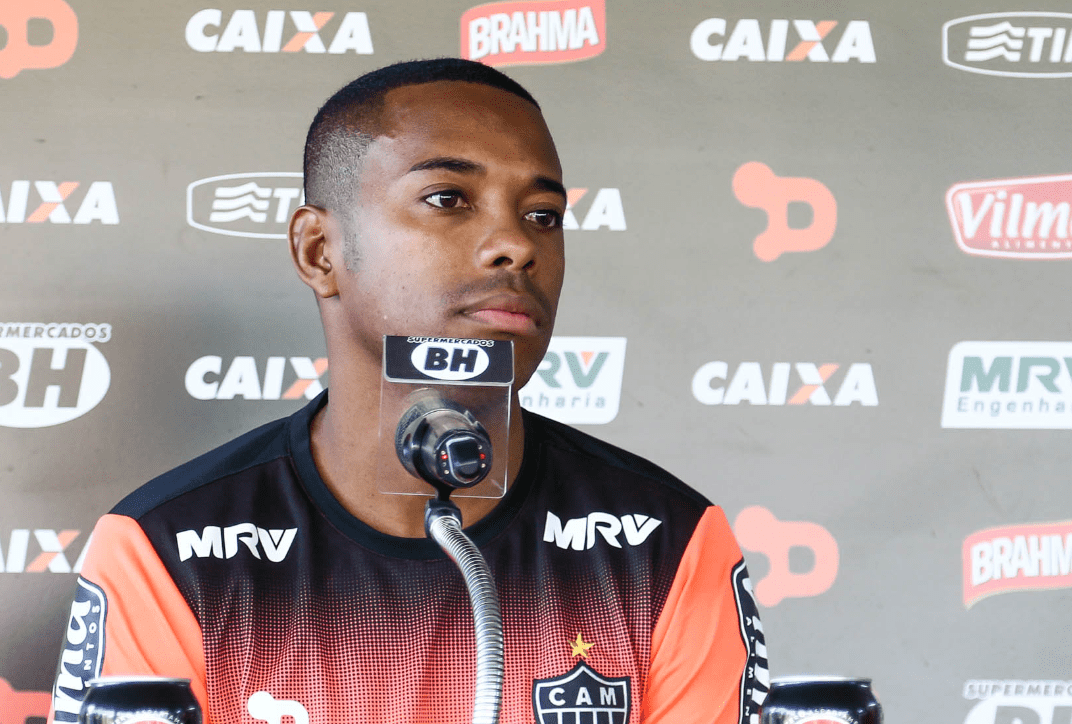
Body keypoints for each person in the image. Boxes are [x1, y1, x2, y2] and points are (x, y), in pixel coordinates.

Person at [49, 58, 768, 724]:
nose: (516, 244)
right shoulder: (165, 547)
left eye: (543, 215)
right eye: (448, 198)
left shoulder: (666, 542)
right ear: (319, 251)